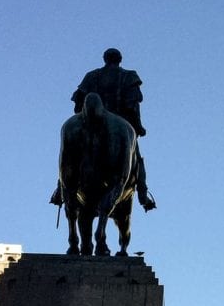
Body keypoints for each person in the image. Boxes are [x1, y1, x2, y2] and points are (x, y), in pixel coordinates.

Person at [52, 48, 154, 212]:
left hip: (90, 123)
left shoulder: (91, 76)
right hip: (121, 124)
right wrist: (138, 126)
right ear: (120, 60)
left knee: (70, 154)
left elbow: (78, 102)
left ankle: (60, 188)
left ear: (104, 59)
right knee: (137, 159)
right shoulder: (129, 76)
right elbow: (132, 105)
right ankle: (143, 196)